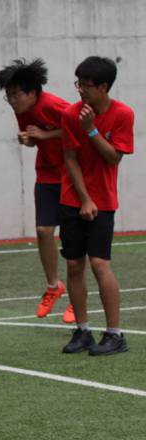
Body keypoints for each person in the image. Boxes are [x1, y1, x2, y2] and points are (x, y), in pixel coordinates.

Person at [58, 57, 134, 356]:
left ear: (103, 87)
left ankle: (115, 335)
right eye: (78, 84)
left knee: (100, 264)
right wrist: (83, 199)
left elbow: (114, 157)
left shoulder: (123, 114)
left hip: (104, 200)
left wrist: (91, 130)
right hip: (72, 198)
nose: (80, 90)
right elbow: (70, 158)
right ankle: (83, 331)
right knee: (74, 264)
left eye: (86, 85)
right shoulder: (70, 114)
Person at [0, 59, 74, 323]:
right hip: (47, 172)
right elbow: (36, 139)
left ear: (32, 92)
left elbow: (80, 130)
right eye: (8, 96)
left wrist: (44, 135)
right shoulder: (22, 109)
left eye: (15, 95)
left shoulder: (53, 105)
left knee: (73, 238)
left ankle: (77, 298)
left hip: (72, 174)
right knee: (43, 231)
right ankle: (53, 286)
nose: (11, 101)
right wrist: (29, 140)